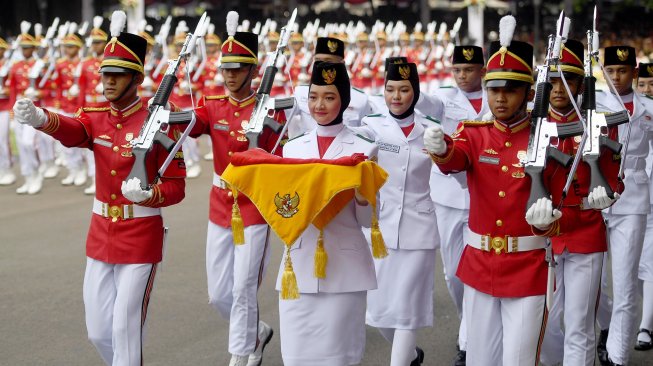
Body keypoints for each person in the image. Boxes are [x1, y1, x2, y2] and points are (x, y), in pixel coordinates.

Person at [12, 11, 186, 365]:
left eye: (117, 75)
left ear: (136, 78)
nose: (107, 81)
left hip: (140, 235)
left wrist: (150, 195)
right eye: (105, 73)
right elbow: (75, 130)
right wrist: (41, 118)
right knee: (97, 331)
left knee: (125, 327)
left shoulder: (161, 122)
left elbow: (176, 187)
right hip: (100, 233)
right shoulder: (96, 115)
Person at [423, 16, 567, 366]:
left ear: (529, 93)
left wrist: (551, 222)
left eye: (510, 89)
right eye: (493, 89)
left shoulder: (549, 136)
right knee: (480, 360)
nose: (499, 98)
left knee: (519, 360)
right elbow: (456, 158)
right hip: (481, 263)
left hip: (527, 265)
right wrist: (441, 150)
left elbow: (565, 198)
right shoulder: (475, 132)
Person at [189, 15, 280, 366]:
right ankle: (255, 332)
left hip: (254, 205)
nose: (230, 75)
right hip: (219, 204)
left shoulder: (270, 108)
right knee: (217, 294)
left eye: (238, 68)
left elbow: (282, 156)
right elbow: (188, 127)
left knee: (244, 287)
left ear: (253, 70)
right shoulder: (212, 105)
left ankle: (241, 353)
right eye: (226, 68)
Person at [278, 61, 379, 366]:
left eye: (329, 97)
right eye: (313, 96)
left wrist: (364, 198)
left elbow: (368, 221)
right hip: (298, 264)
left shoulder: (365, 147)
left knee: (340, 357)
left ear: (344, 100)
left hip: (345, 266)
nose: (319, 105)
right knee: (295, 357)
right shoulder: (291, 149)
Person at [539, 39, 622, 366]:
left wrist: (608, 193)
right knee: (541, 326)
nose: (560, 90)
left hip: (585, 231)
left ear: (581, 85)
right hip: (542, 232)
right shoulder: (531, 124)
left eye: (568, 81)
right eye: (554, 82)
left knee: (579, 325)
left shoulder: (599, 123)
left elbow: (616, 176)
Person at [361, 61, 438, 366]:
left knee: (407, 310)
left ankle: (400, 361)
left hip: (419, 228)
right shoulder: (372, 127)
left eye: (404, 89)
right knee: (378, 312)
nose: (396, 96)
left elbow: (453, 168)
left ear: (415, 92)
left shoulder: (431, 129)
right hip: (381, 228)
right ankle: (410, 356)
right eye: (391, 89)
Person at [430, 44, 489, 366]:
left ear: (482, 70)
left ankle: (468, 340)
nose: (462, 76)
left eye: (468, 70)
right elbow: (424, 101)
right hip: (449, 195)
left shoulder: (499, 94)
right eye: (457, 70)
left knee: (478, 270)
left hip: (486, 195)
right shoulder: (444, 97)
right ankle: (469, 322)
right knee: (453, 274)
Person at [595, 46, 653, 366]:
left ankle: (618, 356)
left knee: (625, 283)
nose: (616, 77)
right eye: (611, 70)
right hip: (595, 196)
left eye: (623, 70)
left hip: (633, 198)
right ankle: (607, 329)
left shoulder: (647, 107)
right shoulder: (593, 104)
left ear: (635, 71)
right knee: (592, 283)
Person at [287, 37, 373, 138]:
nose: (322, 66)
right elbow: (280, 114)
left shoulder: (360, 98)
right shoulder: (300, 92)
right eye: (318, 61)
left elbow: (366, 133)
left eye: (329, 61)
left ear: (342, 64)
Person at [635, 62, 653, 352]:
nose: (648, 90)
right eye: (643, 85)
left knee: (649, 262)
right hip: (633, 194)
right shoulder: (630, 111)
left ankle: (645, 325)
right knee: (634, 267)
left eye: (652, 85)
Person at [0, 36, 16, 185]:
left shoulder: (9, 66)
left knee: (3, 141)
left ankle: (8, 169)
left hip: (4, 107)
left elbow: (13, 89)